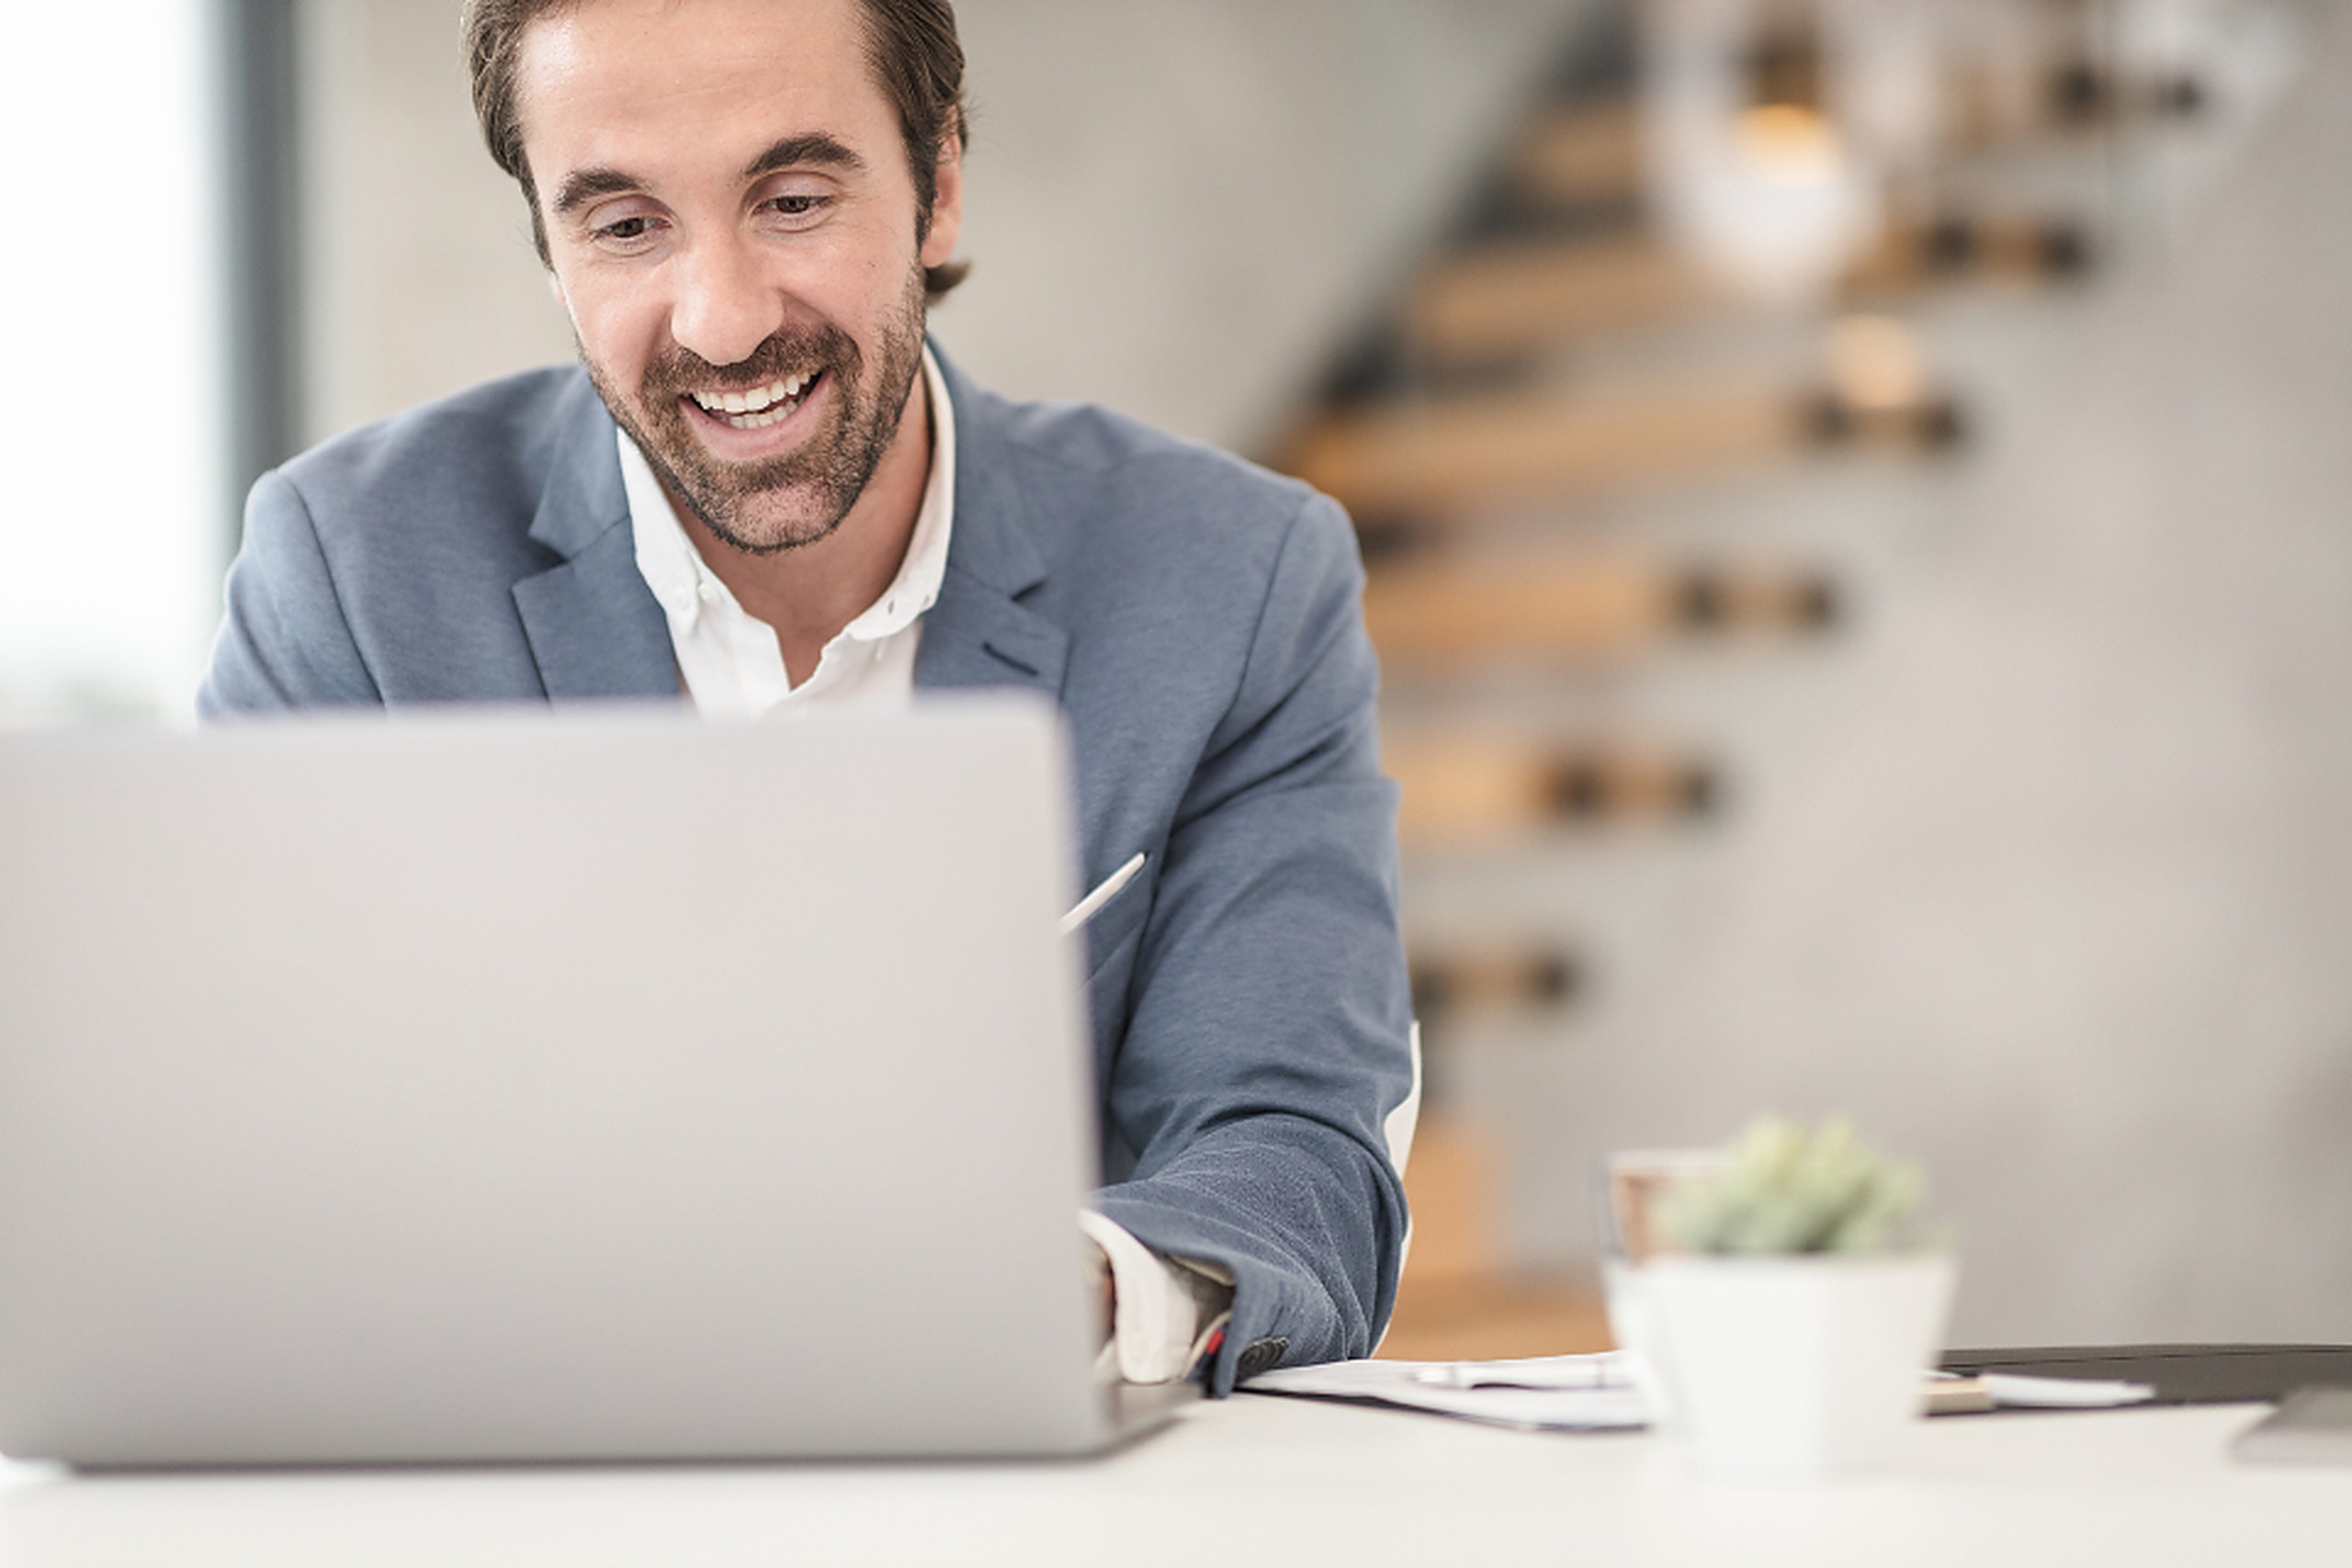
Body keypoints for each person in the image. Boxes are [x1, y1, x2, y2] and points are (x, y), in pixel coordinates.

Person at [200, 0, 1414, 1396]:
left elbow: (1298, 1154)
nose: (723, 322)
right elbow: (249, 1145)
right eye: (625, 225)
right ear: (549, 245)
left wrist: (1058, 1295)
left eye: (790, 199)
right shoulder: (351, 573)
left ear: (938, 184)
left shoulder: (1235, 580)